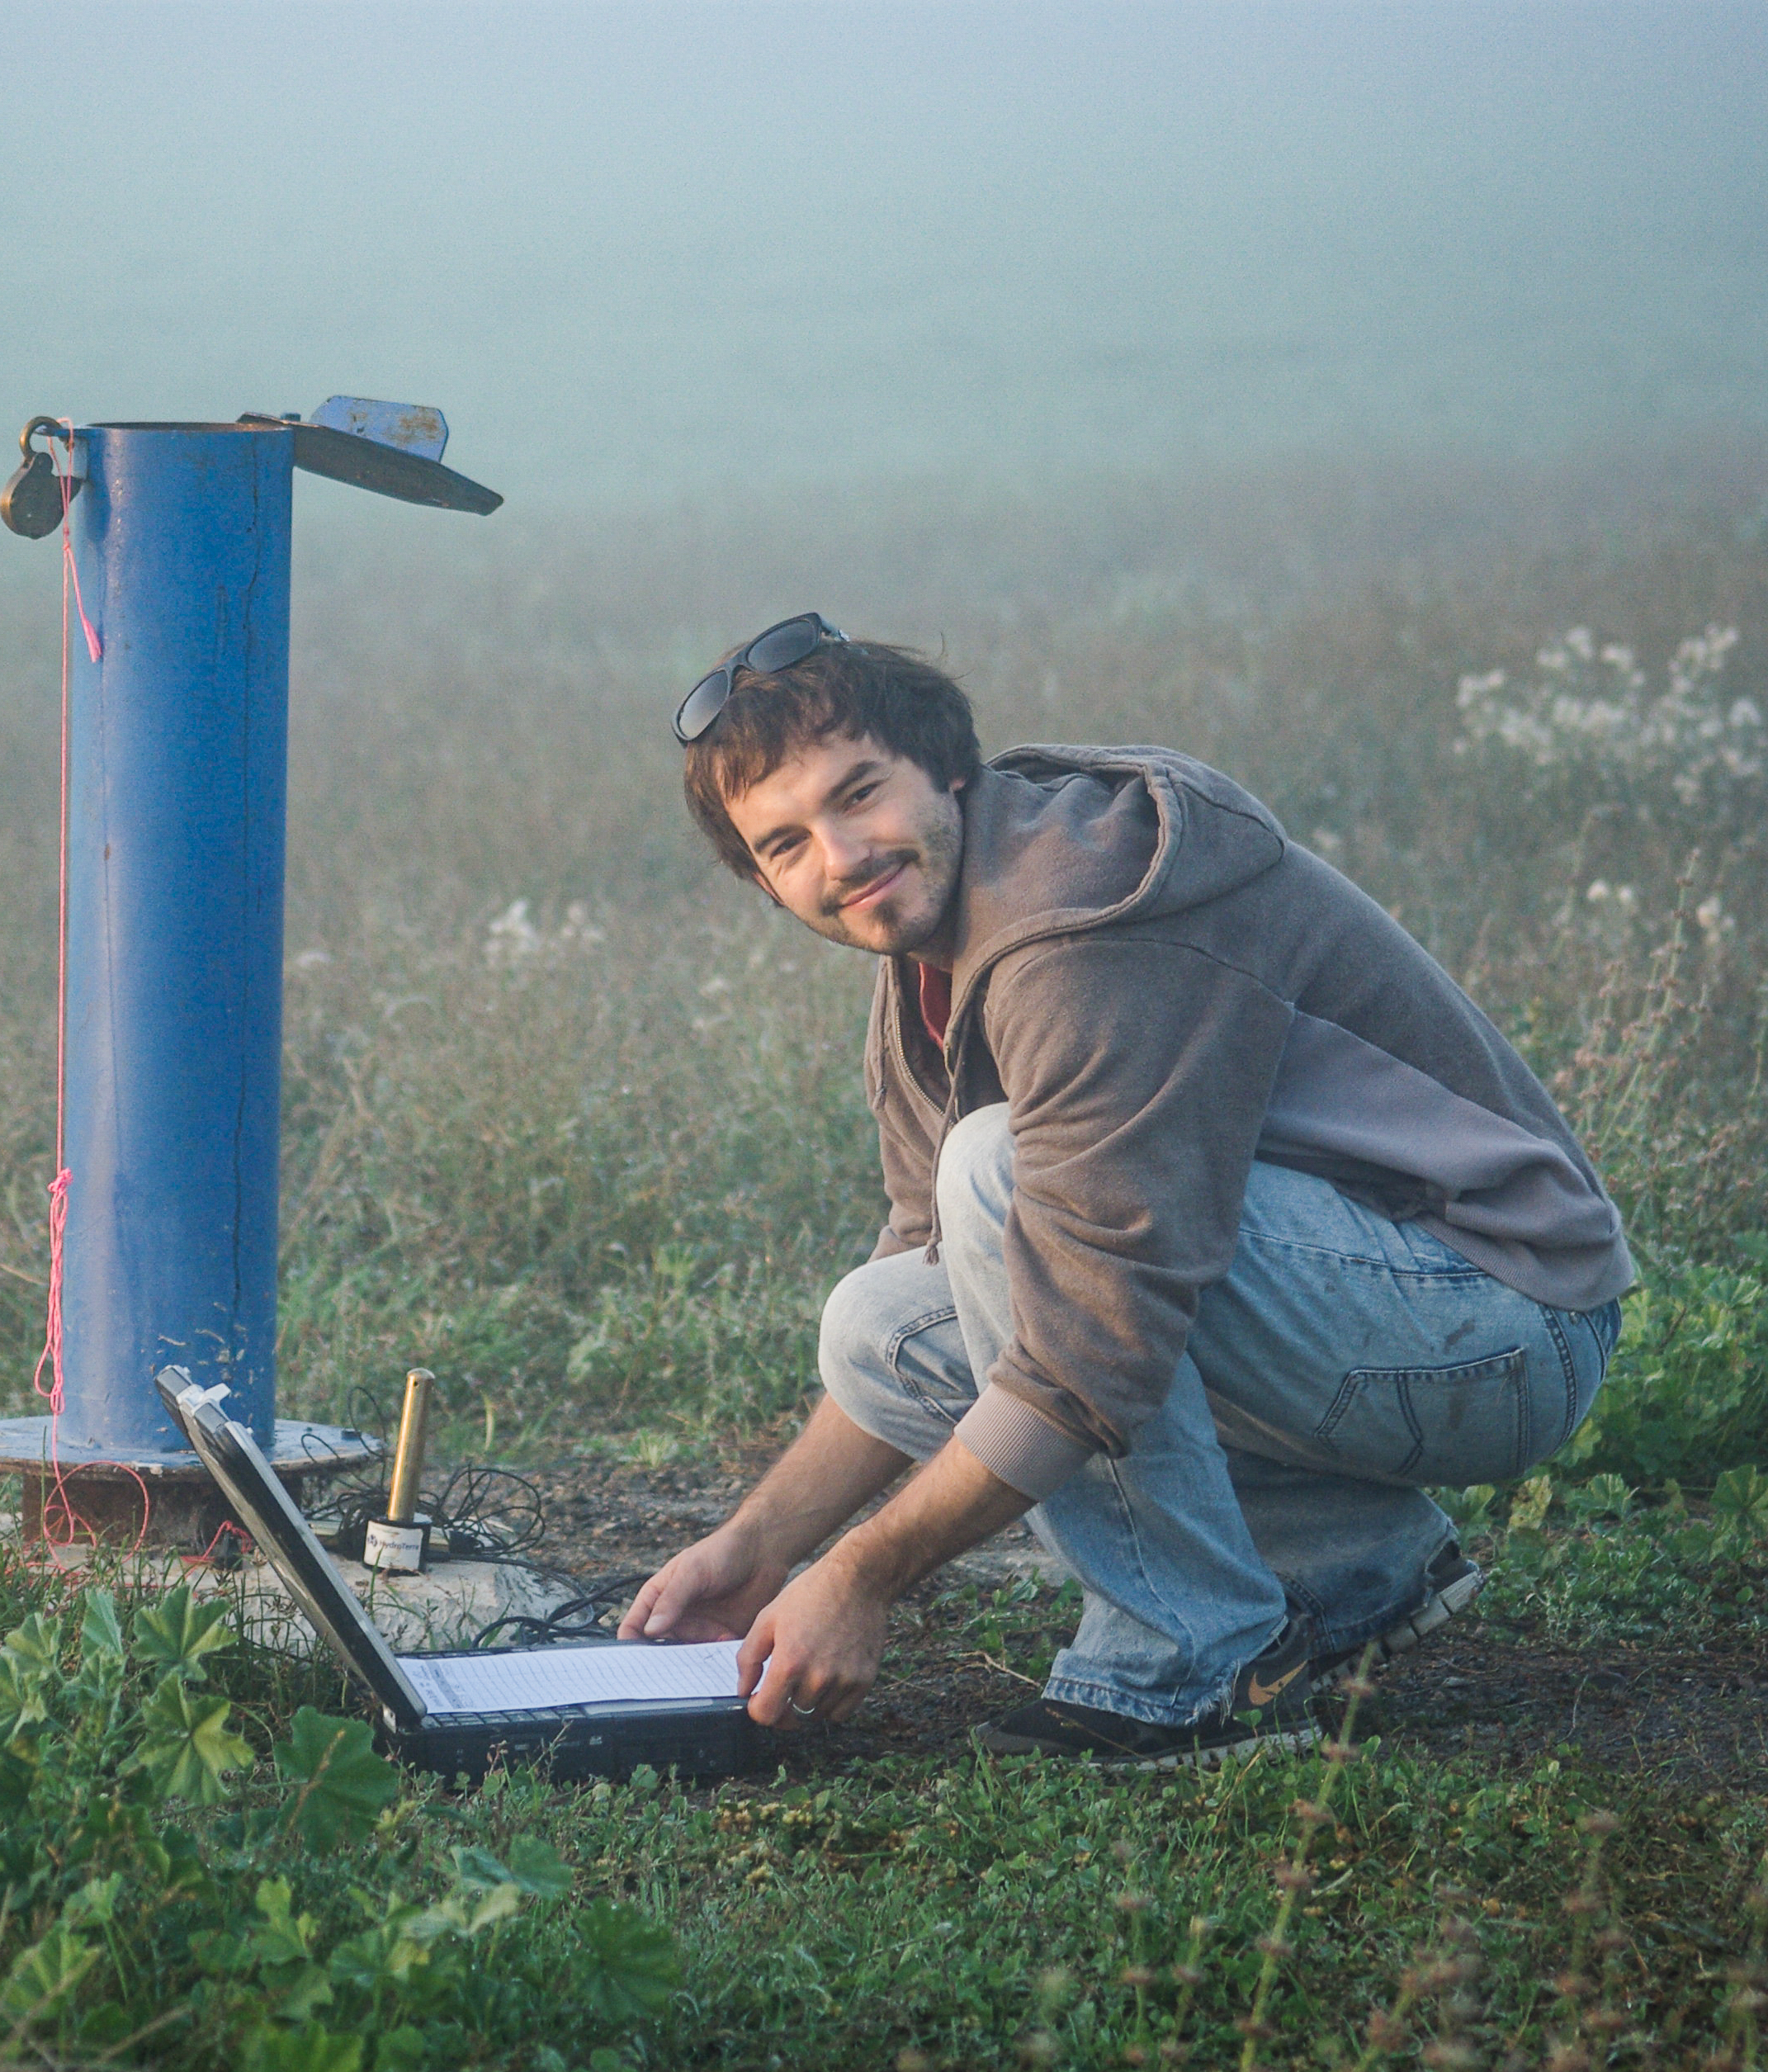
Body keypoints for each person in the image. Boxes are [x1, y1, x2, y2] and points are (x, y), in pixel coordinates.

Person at [618, 617, 1630, 1766]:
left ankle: (1190, 1670)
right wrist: (757, 1549)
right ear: (764, 883)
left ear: (948, 768)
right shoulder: (928, 959)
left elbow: (1090, 1352)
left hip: (1501, 1320)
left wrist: (860, 1576)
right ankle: (1346, 1561)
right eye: (788, 844)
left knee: (1000, 1176)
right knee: (881, 1324)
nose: (840, 856)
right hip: (1354, 1304)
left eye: (859, 794)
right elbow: (937, 1262)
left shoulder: (1078, 919)